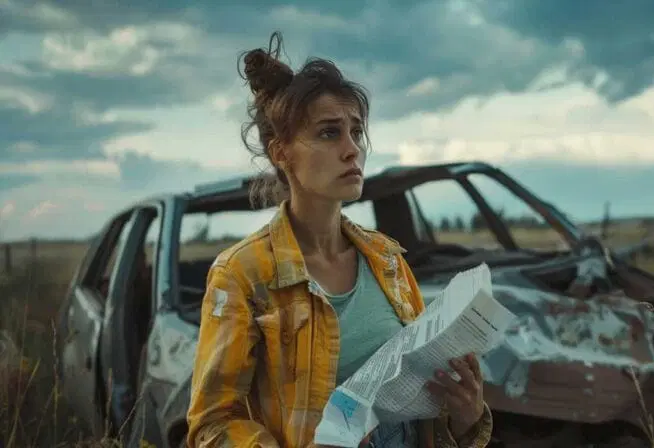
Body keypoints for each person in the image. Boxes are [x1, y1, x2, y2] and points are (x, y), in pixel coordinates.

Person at [186, 31, 493, 448]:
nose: (353, 150)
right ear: (282, 153)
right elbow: (213, 423)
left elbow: (423, 409)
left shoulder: (387, 259)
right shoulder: (242, 274)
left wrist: (465, 418)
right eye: (330, 133)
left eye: (356, 132)